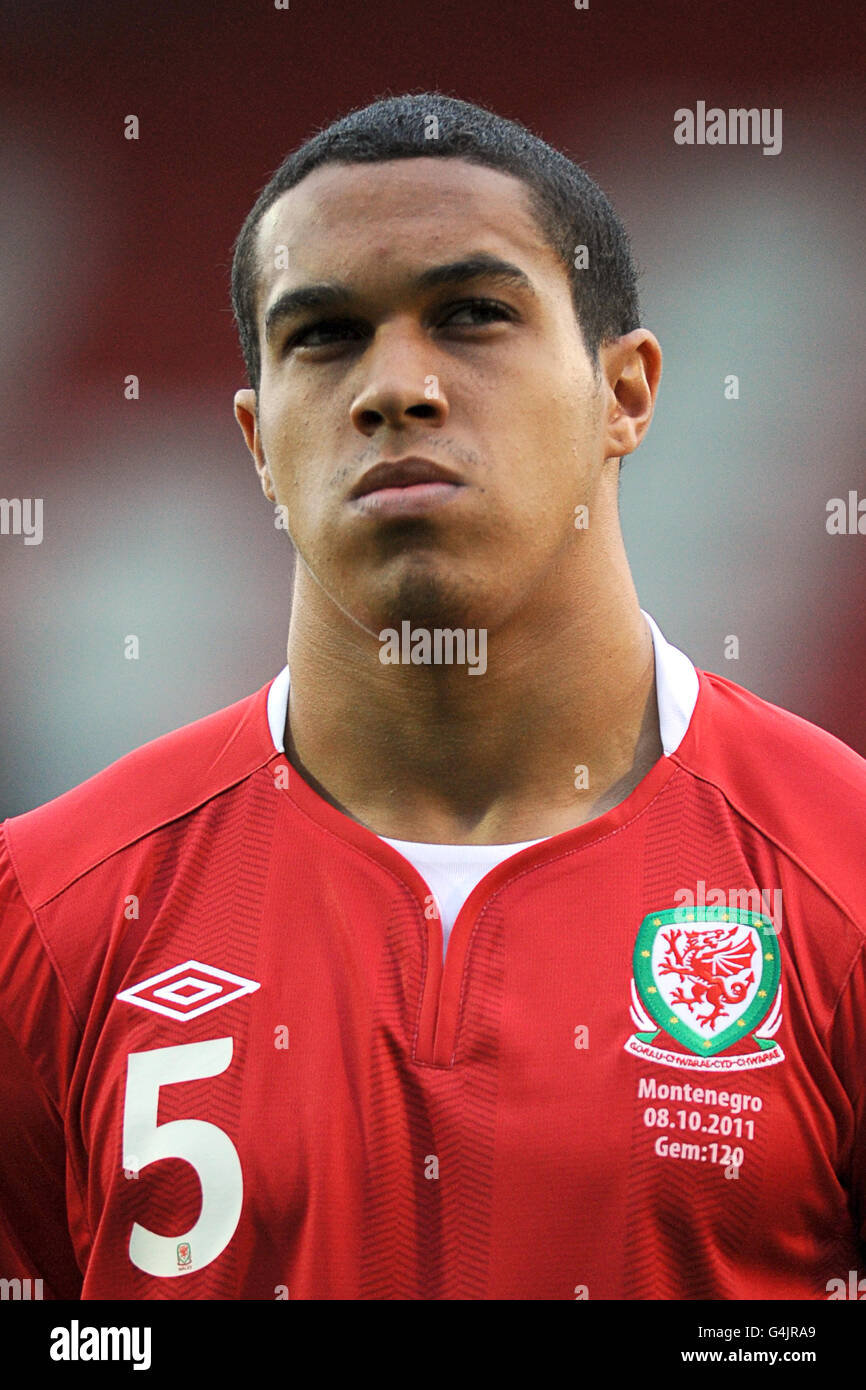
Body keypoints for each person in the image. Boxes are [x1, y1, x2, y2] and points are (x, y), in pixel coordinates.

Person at [1, 92, 864, 1302]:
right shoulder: (45, 913)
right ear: (256, 440)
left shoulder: (842, 872)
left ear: (625, 393)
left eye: (470, 315)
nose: (394, 386)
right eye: (324, 334)